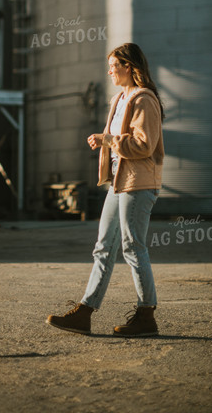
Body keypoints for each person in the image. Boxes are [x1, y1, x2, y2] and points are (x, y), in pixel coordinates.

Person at [46, 42, 165, 337]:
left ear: (129, 66)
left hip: (138, 183)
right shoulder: (119, 100)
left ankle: (146, 315)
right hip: (118, 183)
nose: (110, 70)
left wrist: (109, 139)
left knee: (133, 247)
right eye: (109, 65)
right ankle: (84, 313)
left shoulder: (144, 99)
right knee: (103, 248)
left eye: (115, 65)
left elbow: (143, 145)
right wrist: (106, 142)